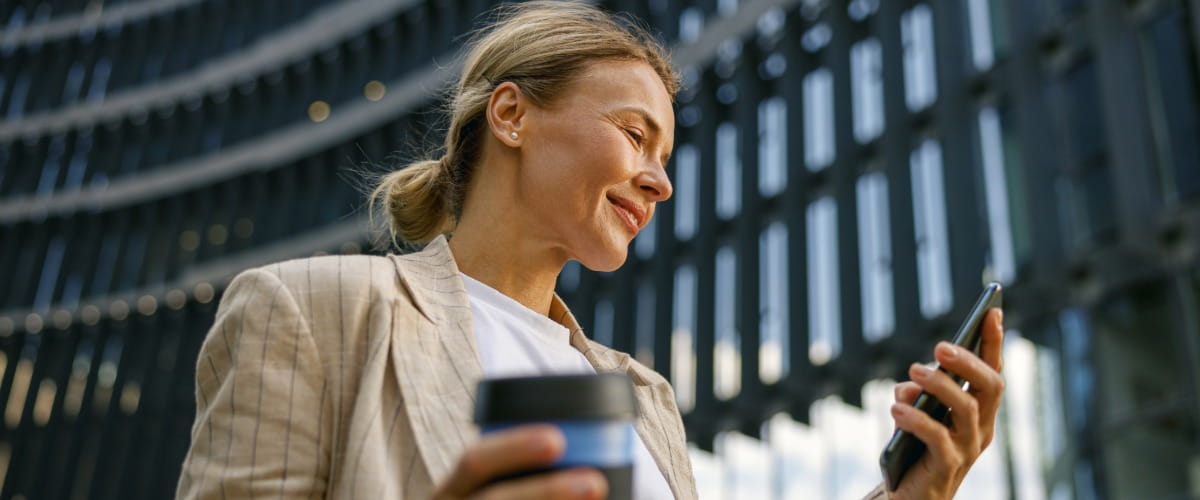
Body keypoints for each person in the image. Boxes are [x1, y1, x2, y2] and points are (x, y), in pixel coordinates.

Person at [175, 2, 1006, 499]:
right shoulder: (311, 310)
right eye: (635, 136)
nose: (660, 182)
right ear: (511, 116)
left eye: (665, 156)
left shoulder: (641, 395)